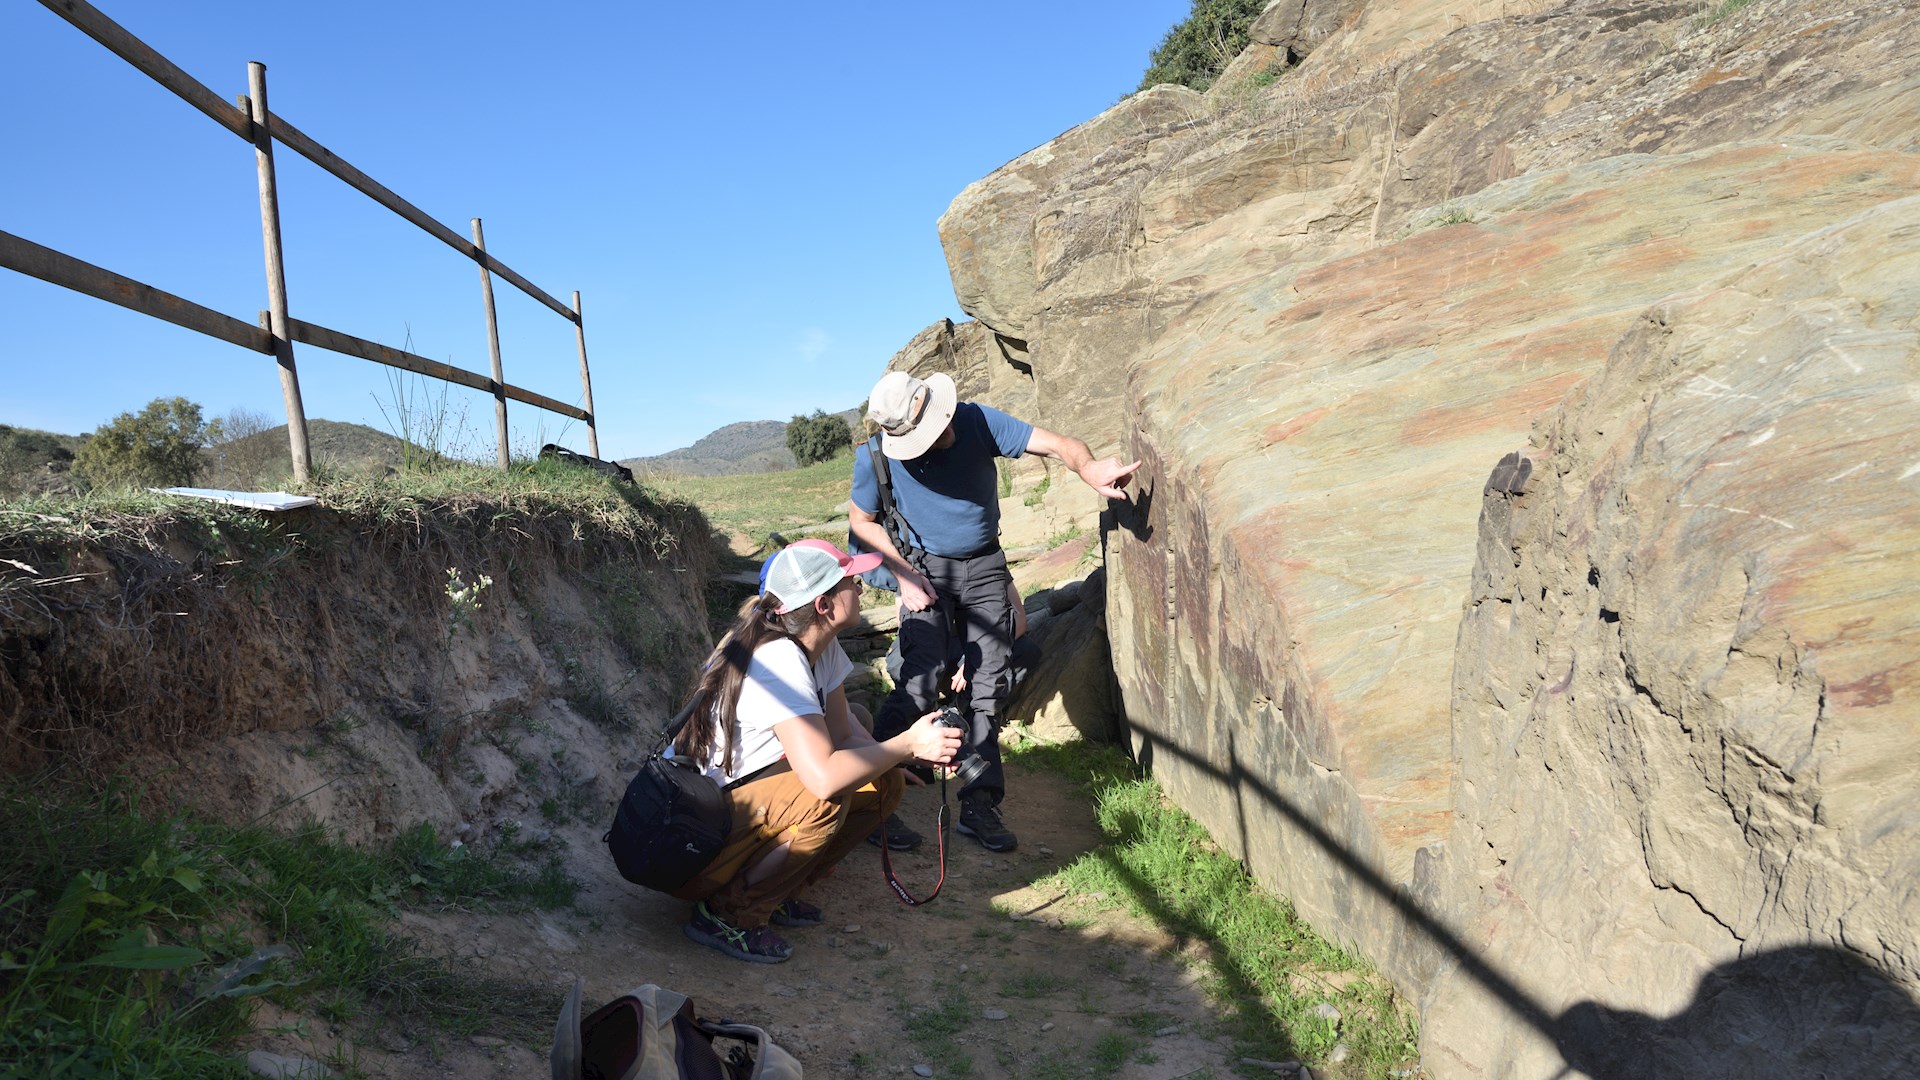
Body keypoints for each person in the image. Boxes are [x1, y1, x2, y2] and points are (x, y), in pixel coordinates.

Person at [850, 370, 1139, 853]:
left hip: (985, 565)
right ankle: (871, 802)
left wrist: (1087, 468)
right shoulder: (875, 456)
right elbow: (862, 524)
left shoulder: (978, 421)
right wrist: (903, 578)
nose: (931, 442)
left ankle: (980, 805)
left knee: (988, 689)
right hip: (924, 571)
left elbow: (1059, 444)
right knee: (921, 680)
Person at [670, 542, 962, 963]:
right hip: (693, 839)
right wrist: (904, 744)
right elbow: (824, 776)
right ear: (823, 605)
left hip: (731, 811)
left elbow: (844, 733)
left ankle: (775, 889)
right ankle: (728, 914)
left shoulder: (818, 647)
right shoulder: (780, 660)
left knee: (882, 781)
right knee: (821, 799)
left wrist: (905, 756)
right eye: (850, 579)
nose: (860, 584)